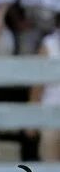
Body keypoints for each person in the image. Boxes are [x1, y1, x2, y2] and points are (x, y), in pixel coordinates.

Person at [31, 18, 59, 160]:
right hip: (50, 111)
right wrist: (32, 119)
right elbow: (37, 86)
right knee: (50, 141)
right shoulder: (49, 45)